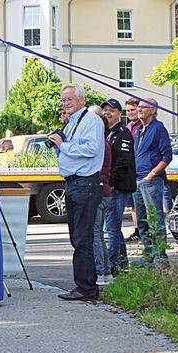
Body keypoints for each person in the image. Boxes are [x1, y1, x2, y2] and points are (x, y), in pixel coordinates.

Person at [49, 85, 104, 301]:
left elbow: (91, 150)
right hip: (73, 184)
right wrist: (58, 145)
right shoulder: (72, 122)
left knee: (83, 238)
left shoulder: (91, 120)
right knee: (77, 238)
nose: (65, 103)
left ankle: (86, 288)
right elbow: (69, 150)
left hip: (85, 183)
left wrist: (63, 145)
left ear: (81, 100)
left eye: (69, 99)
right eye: (63, 100)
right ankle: (84, 286)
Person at [132, 98, 172, 264]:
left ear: (153, 110)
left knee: (154, 217)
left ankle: (160, 256)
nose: (139, 110)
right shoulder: (139, 129)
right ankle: (149, 254)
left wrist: (152, 174)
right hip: (137, 179)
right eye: (138, 107)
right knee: (141, 219)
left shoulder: (158, 128)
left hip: (151, 180)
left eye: (143, 107)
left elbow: (167, 155)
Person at [101, 98, 135, 275]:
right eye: (105, 110)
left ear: (119, 113)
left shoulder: (123, 132)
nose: (107, 113)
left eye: (111, 110)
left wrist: (111, 183)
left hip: (118, 186)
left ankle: (115, 266)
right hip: (110, 185)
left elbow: (123, 161)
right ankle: (122, 265)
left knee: (111, 228)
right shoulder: (106, 132)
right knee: (113, 227)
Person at [87, 106, 112, 286]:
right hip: (105, 191)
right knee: (98, 233)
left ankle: (101, 272)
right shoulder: (104, 141)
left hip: (99, 191)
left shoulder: (99, 144)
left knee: (95, 234)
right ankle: (106, 271)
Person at [123, 98, 141, 242]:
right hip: (130, 171)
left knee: (142, 204)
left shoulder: (143, 126)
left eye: (132, 110)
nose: (130, 113)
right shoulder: (128, 127)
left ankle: (145, 230)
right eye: (127, 110)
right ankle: (137, 230)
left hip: (141, 170)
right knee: (132, 204)